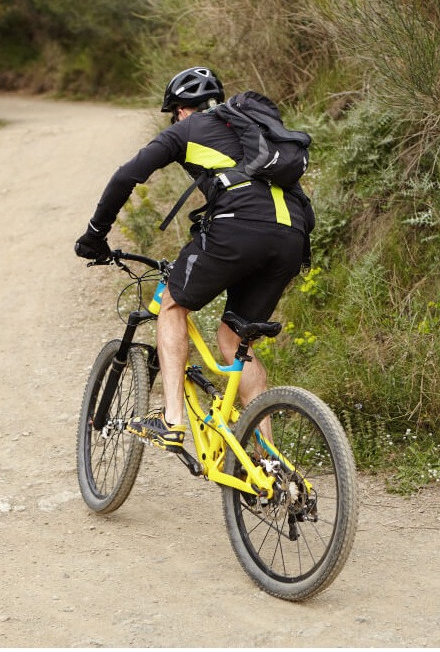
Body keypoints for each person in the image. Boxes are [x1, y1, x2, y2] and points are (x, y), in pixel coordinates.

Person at [74, 66, 311, 454]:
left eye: (173, 114)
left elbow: (125, 177)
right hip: (292, 233)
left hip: (238, 226)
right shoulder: (255, 131)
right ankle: (268, 459)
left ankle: (171, 420)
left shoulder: (186, 129)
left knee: (171, 304)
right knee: (235, 338)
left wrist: (95, 235)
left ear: (181, 110)